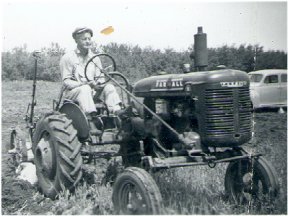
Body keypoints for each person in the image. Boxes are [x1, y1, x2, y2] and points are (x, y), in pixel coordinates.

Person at [60, 27, 122, 134]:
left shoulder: (95, 58)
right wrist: (85, 84)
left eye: (89, 39)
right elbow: (67, 82)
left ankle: (118, 114)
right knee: (85, 89)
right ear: (76, 40)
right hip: (73, 94)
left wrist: (100, 84)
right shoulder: (68, 58)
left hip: (92, 93)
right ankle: (91, 121)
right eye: (84, 39)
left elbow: (100, 77)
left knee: (110, 87)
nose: (88, 41)